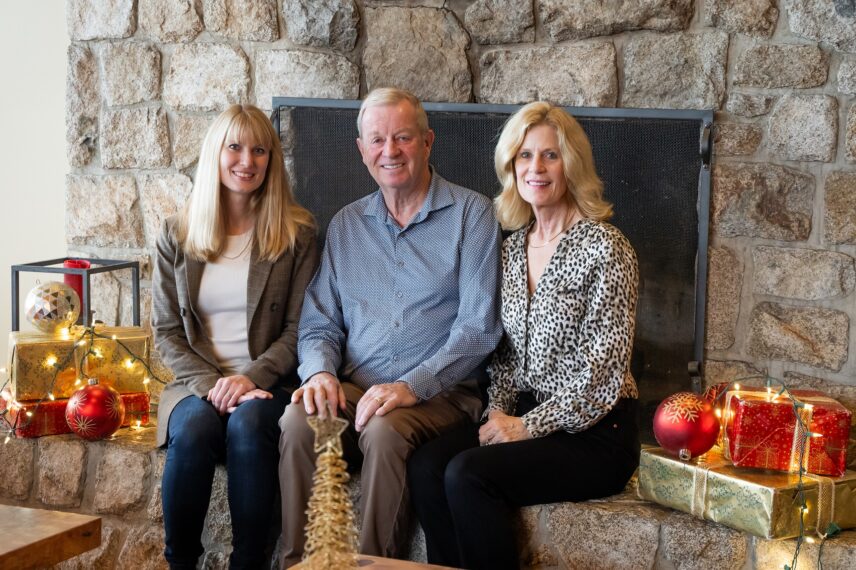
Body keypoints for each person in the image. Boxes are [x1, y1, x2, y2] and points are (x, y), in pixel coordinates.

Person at [407, 101, 640, 570]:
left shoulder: (606, 248)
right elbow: (507, 356)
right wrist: (499, 410)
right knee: (426, 466)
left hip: (596, 432)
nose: (536, 168)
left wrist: (525, 427)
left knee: (468, 474)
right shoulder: (512, 249)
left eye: (550, 155)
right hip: (528, 415)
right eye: (525, 156)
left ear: (571, 164)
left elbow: (602, 377)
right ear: (512, 167)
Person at [277, 87, 503, 566]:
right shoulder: (347, 225)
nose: (390, 151)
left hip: (441, 395)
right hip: (357, 389)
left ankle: (375, 564)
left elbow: (478, 329)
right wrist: (319, 373)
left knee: (384, 431)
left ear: (428, 141)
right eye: (377, 140)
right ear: (362, 150)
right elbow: (319, 322)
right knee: (299, 420)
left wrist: (410, 386)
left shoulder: (472, 214)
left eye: (403, 137)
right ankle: (301, 563)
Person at [152, 104, 319, 570]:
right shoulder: (177, 234)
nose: (247, 161)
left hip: (269, 383)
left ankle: (249, 563)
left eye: (259, 150)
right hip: (195, 385)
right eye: (235, 147)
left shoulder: (296, 234)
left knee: (248, 428)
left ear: (271, 160)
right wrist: (215, 387)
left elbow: (299, 329)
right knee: (193, 430)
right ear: (216, 153)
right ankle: (180, 563)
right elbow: (166, 331)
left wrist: (249, 380)